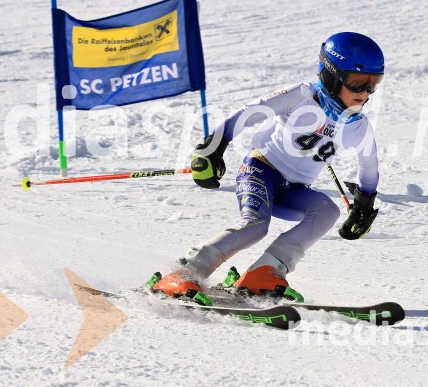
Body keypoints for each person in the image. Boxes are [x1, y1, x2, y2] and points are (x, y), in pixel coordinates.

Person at [149, 32, 384, 305]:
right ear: (332, 76)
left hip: (294, 189)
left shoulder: (358, 126)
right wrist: (213, 148)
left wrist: (364, 205)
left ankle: (264, 272)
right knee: (255, 225)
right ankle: (185, 271)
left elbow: (369, 166)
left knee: (327, 211)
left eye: (373, 84)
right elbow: (248, 112)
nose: (365, 93)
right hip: (261, 170)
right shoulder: (300, 96)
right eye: (358, 83)